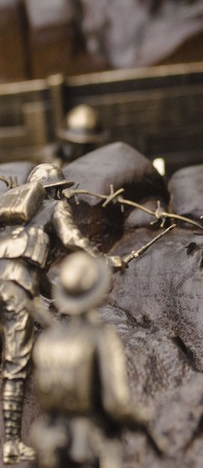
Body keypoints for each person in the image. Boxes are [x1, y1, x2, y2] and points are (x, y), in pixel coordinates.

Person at [0, 164, 122, 464]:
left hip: (8, 281)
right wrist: (102, 260)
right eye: (61, 191)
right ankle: (11, 444)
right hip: (15, 289)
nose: (64, 196)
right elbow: (71, 239)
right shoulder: (55, 208)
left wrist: (57, 298)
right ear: (54, 191)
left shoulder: (16, 224)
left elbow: (33, 273)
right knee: (16, 362)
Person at [30, 252, 155, 468]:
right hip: (86, 444)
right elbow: (114, 404)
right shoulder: (100, 338)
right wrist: (143, 417)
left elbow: (41, 392)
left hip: (48, 441)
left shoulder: (48, 339)